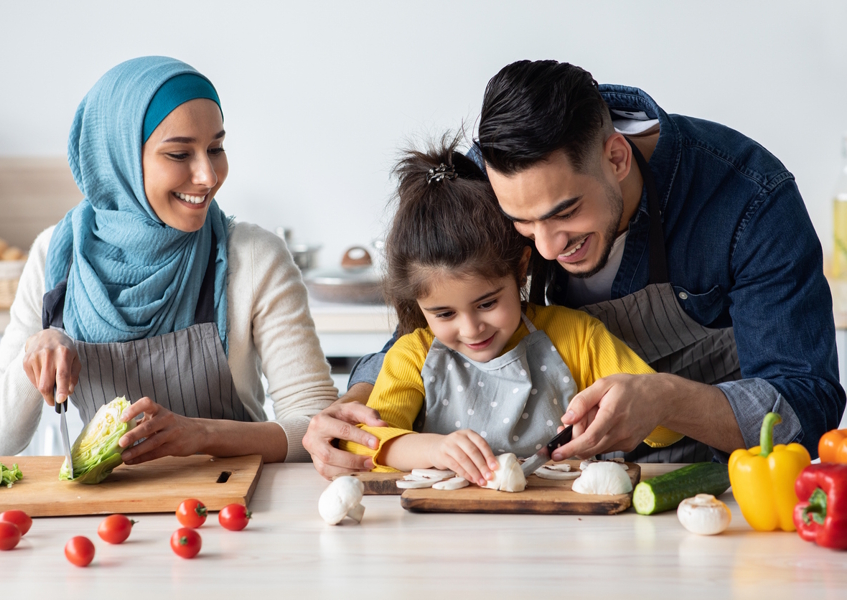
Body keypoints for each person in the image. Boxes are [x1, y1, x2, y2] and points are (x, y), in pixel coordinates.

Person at [305, 59, 845, 476]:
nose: (543, 248)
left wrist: (664, 397)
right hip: (553, 487)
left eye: (564, 213)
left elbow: (806, 402)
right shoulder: (485, 179)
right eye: (521, 223)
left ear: (616, 157)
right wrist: (356, 409)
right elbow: (422, 333)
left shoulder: (747, 197)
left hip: (710, 485)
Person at [0, 57, 338, 464]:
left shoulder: (252, 256)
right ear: (119, 159)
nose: (208, 176)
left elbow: (320, 427)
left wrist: (204, 434)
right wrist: (37, 346)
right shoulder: (56, 255)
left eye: (215, 148)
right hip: (107, 519)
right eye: (180, 154)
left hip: (234, 510)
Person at [339, 136, 681, 484]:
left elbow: (665, 430)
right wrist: (433, 450)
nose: (471, 329)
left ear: (520, 268)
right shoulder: (412, 356)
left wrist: (644, 405)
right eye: (444, 314)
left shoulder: (575, 336)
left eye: (487, 303)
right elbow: (361, 446)